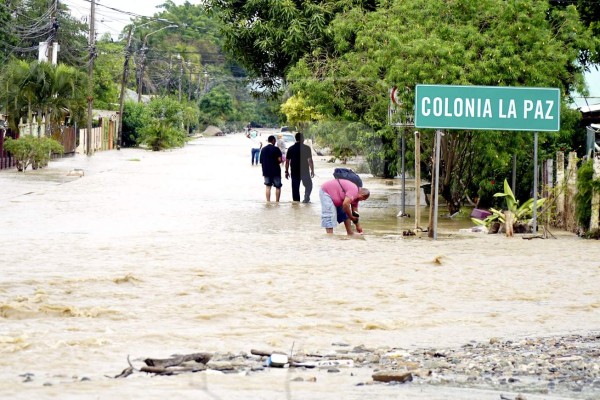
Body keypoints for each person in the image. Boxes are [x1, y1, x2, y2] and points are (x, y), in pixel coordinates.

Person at [284, 132, 315, 203]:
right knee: (309, 185)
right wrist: (312, 171)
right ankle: (306, 197)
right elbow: (310, 161)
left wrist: (286, 171)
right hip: (305, 171)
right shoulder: (307, 148)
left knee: (295, 188)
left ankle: (296, 203)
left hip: (294, 171)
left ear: (296, 139)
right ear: (303, 139)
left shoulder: (290, 149)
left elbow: (287, 161)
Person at [259, 135, 283, 202]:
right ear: (273, 141)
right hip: (276, 171)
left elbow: (261, 161)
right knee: (278, 187)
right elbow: (279, 160)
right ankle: (277, 202)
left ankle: (268, 202)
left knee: (268, 187)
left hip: (266, 171)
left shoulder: (263, 149)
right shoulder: (276, 149)